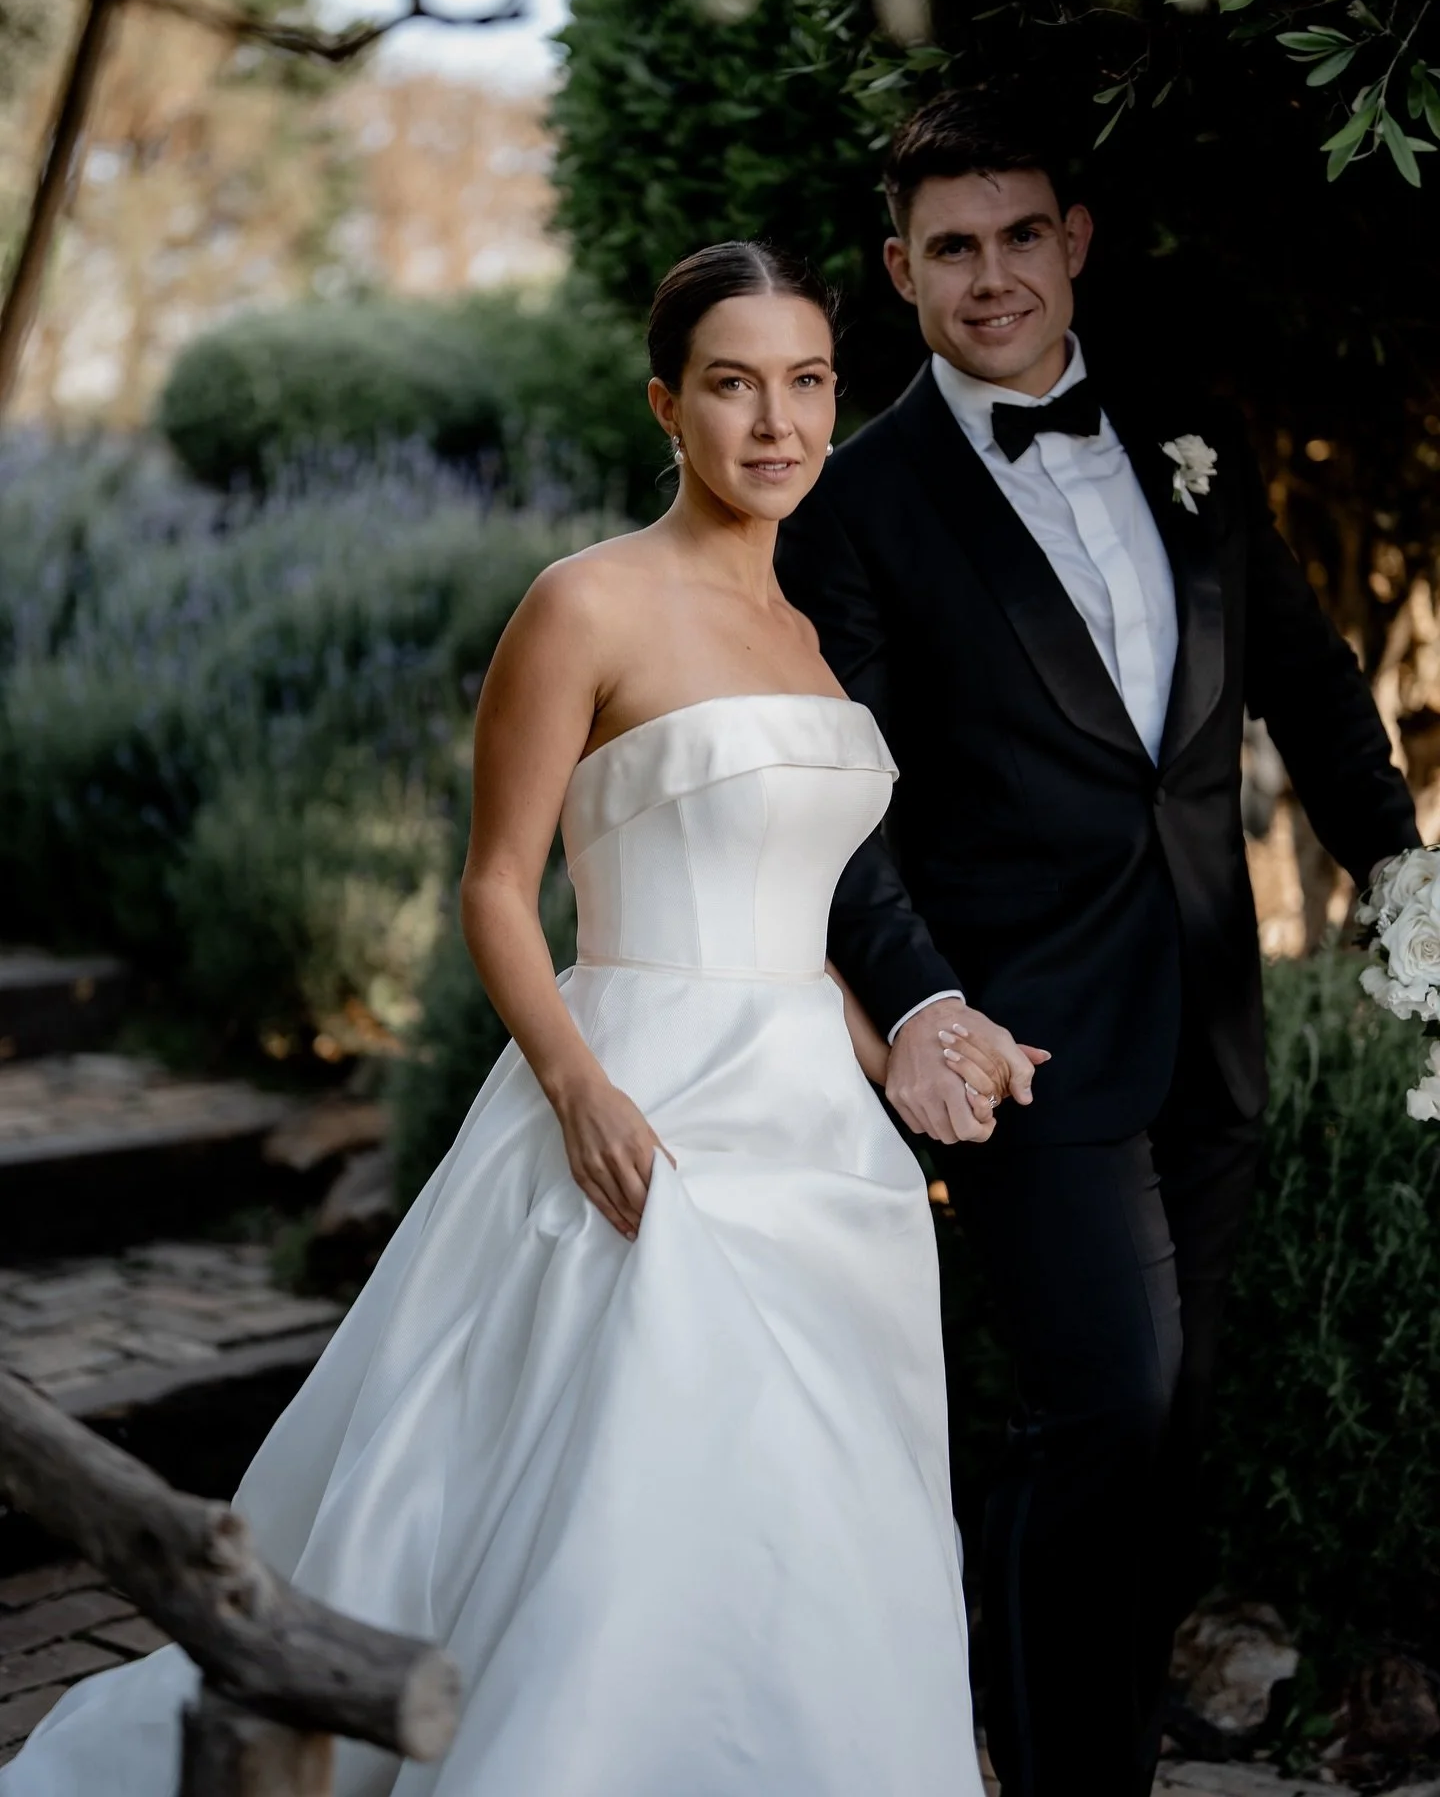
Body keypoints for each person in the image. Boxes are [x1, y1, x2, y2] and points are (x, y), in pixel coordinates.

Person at [1, 242, 1009, 1797]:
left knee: (813, 1514)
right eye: (733, 385)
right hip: (639, 1101)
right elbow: (491, 887)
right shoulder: (585, 602)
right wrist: (577, 1089)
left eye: (806, 383)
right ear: (667, 405)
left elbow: (801, 933)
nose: (776, 423)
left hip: (817, 1139)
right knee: (622, 1493)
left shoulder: (811, 637)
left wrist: (913, 1053)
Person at [776, 90, 1421, 1797]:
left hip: (1213, 1013)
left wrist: (1401, 873)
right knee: (1111, 1405)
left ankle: (1068, 1737)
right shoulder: (855, 508)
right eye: (953, 249)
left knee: (1172, 1431)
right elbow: (839, 803)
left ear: (1076, 242)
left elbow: (1303, 673)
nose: (994, 278)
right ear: (899, 272)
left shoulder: (1184, 440)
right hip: (1021, 1036)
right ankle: (1049, 1766)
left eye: (1021, 236)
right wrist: (923, 1004)